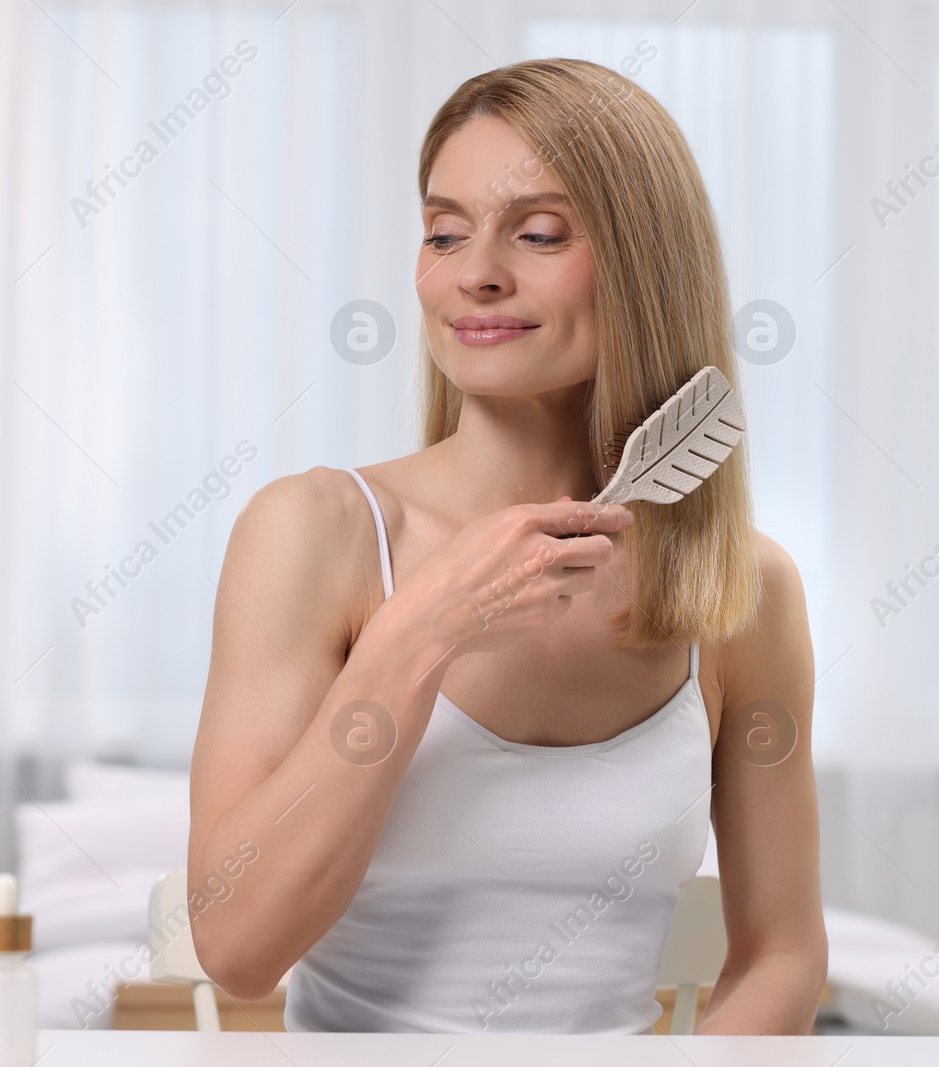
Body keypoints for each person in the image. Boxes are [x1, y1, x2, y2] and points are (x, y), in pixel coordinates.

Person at [187, 57, 825, 1035]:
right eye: (444, 232)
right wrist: (421, 628)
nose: (474, 269)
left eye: (535, 233)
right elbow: (236, 950)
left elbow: (782, 952)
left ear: (643, 263)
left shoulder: (743, 589)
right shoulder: (315, 534)